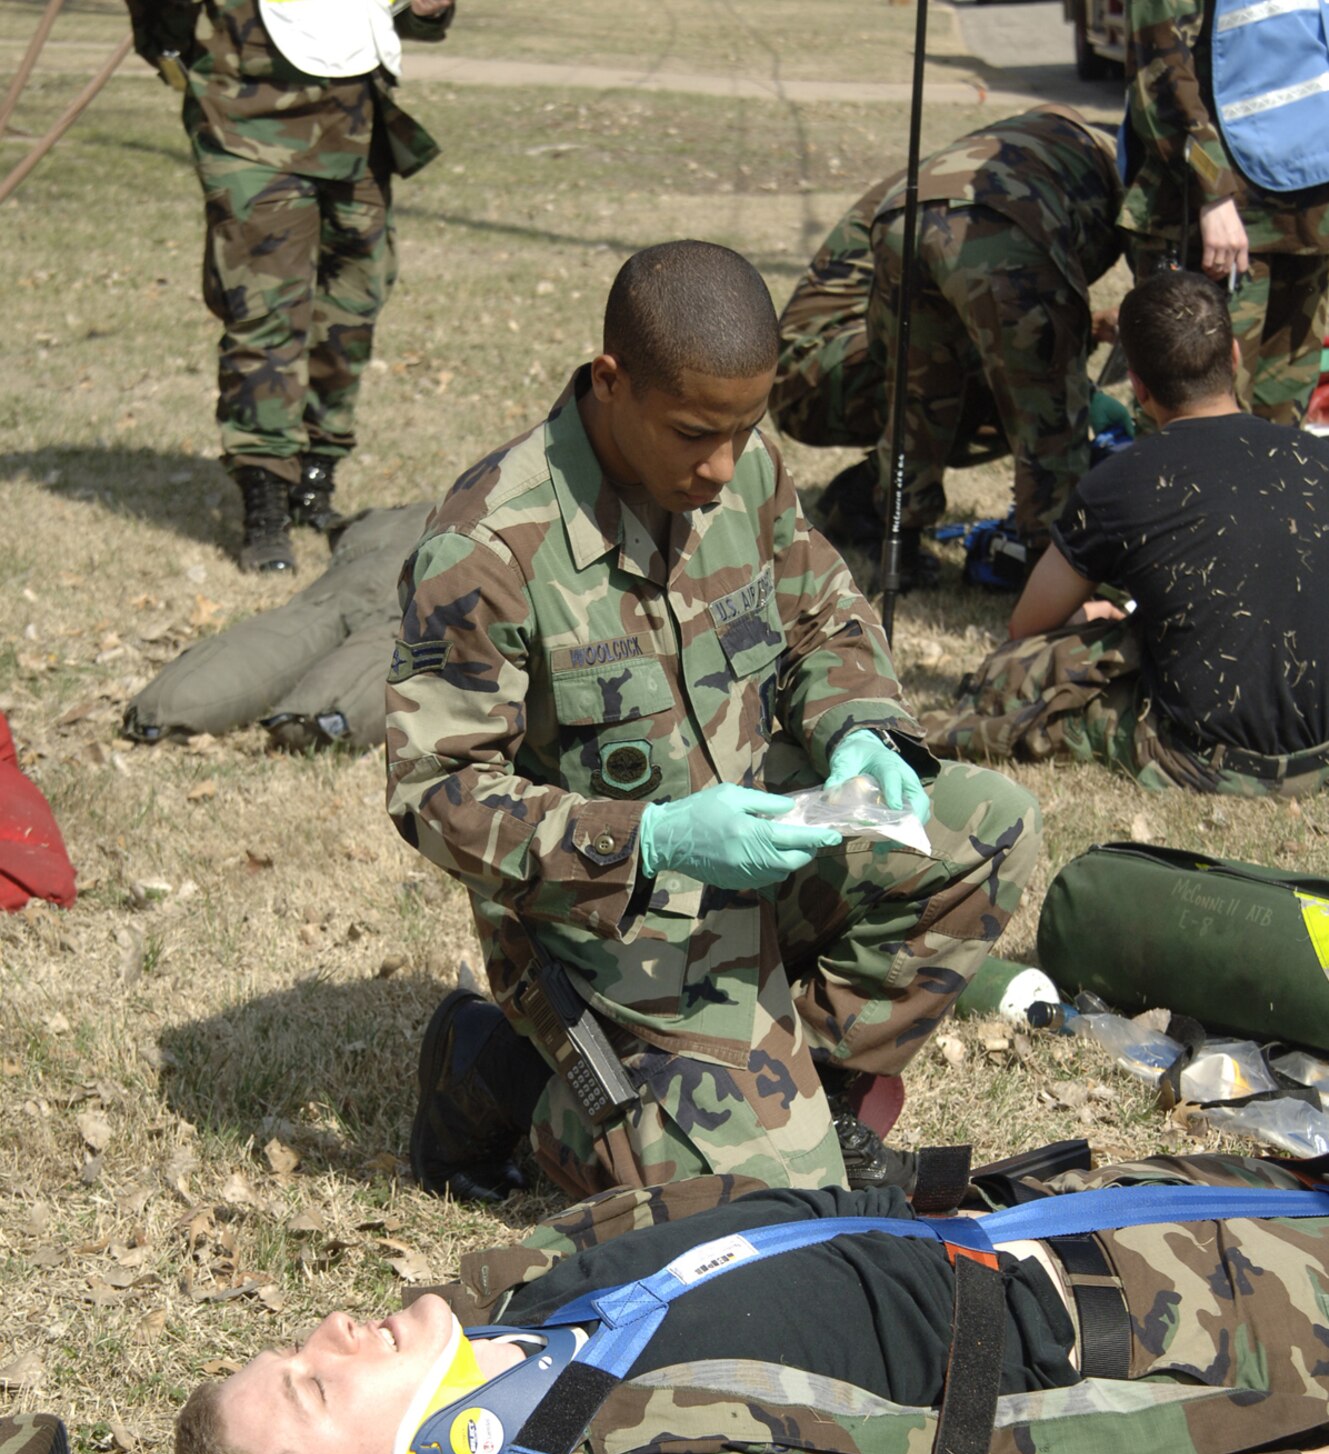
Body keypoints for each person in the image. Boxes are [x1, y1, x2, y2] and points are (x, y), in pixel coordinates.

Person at [386, 240, 1041, 1206]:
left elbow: (822, 612)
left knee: (988, 828)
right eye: (694, 432)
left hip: (758, 847)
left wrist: (861, 726)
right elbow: (435, 794)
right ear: (611, 382)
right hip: (603, 914)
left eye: (744, 429)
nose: (721, 464)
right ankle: (506, 1078)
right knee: (759, 1208)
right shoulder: (489, 546)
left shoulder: (740, 466)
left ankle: (801, 1087)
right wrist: (652, 838)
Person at [173, 1146, 1329, 1454]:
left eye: (293, 1348)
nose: (330, 1332)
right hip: (1171, 1341)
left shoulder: (508, 1306)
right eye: (316, 1388)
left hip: (1082, 1210)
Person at [923, 269, 1329, 794]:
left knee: (1015, 670)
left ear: (1137, 387)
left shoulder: (1121, 481)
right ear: (1234, 355)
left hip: (1203, 759)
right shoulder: (1317, 456)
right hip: (1320, 755)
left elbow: (1027, 626)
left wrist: (1086, 616)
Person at [125, 0, 453, 574]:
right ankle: (265, 502)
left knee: (354, 302)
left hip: (355, 122)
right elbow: (163, 21)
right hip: (246, 124)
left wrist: (430, 11)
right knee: (265, 311)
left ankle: (315, 477)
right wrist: (172, 50)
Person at [862, 106, 1123, 587]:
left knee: (919, 394)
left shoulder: (1046, 136)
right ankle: (1047, 568)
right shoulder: (1124, 162)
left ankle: (899, 548)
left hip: (902, 214)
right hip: (1002, 222)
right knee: (1048, 411)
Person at [768, 171, 1008, 561]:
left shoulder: (991, 173)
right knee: (1004, 380)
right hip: (811, 374)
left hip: (849, 356)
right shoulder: (968, 186)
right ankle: (874, 504)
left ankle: (864, 489)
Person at [1120, 0, 1329, 428]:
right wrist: (1211, 191)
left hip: (1310, 216)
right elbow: (1160, 69)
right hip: (1219, 223)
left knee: (1280, 429)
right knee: (1192, 420)